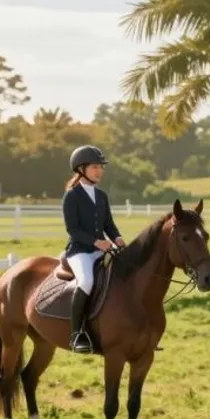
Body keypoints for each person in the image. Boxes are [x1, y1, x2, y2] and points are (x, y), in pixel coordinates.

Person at [62, 145, 125, 355]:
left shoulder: (102, 196)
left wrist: (117, 238)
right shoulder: (72, 196)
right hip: (79, 251)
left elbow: (109, 224)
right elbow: (73, 230)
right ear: (81, 169)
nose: (99, 171)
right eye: (95, 167)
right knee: (87, 282)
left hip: (101, 250)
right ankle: (76, 334)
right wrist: (97, 243)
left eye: (101, 167)